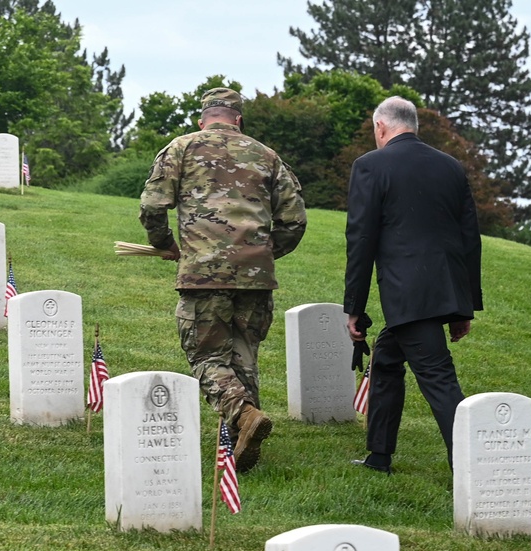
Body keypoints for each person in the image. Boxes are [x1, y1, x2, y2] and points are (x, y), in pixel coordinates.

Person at [139, 87, 307, 473]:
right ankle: (240, 449)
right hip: (256, 277)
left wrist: (165, 244)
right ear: (238, 120)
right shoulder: (267, 156)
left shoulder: (181, 147)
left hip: (203, 274)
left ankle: (243, 414)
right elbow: (295, 221)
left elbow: (152, 205)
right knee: (243, 355)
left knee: (205, 356)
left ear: (203, 120)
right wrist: (261, 255)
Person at [344, 96, 483, 474]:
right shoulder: (450, 167)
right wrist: (464, 306)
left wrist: (354, 306)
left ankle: (474, 469)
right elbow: (470, 238)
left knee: (439, 379)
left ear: (381, 127)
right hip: (443, 291)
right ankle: (379, 456)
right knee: (386, 360)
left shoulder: (371, 166)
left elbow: (361, 239)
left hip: (408, 293)